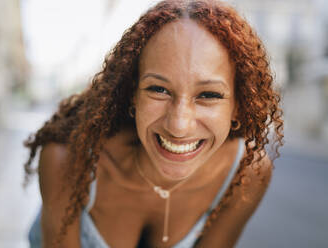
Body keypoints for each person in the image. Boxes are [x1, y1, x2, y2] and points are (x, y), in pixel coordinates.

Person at [24, 0, 284, 247]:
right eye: (158, 89)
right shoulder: (68, 158)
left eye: (208, 95)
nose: (179, 125)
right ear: (133, 94)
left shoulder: (248, 173)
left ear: (238, 106)